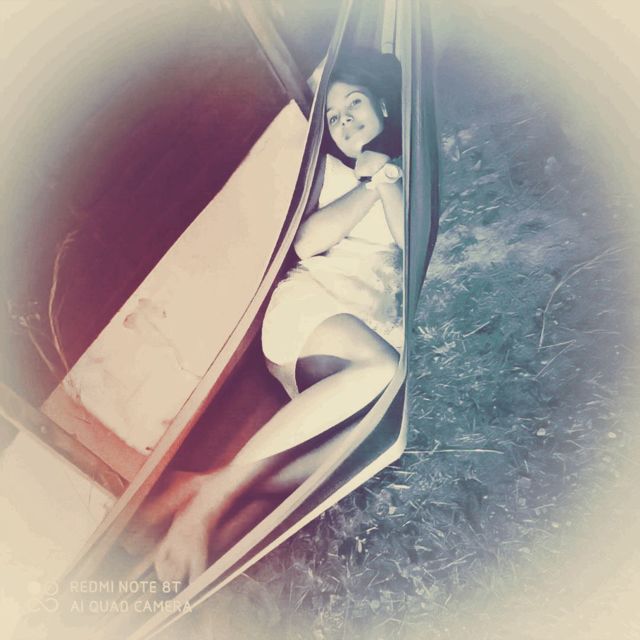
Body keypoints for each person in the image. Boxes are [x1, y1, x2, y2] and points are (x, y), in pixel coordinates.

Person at [134, 51, 405, 584]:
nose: (345, 120)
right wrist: (367, 183)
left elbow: (406, 237)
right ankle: (206, 505)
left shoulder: (404, 174)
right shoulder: (331, 171)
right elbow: (307, 242)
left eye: (355, 104)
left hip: (360, 329)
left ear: (384, 108)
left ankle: (203, 486)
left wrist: (387, 174)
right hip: (314, 309)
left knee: (372, 434)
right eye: (334, 116)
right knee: (382, 369)